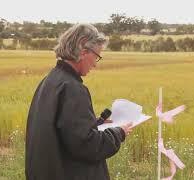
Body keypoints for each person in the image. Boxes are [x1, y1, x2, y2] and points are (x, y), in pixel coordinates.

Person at [25, 24, 133, 180]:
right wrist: (118, 132)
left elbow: (65, 132)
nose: (95, 63)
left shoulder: (51, 80)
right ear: (83, 51)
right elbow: (88, 146)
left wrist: (94, 124)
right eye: (96, 56)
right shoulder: (72, 88)